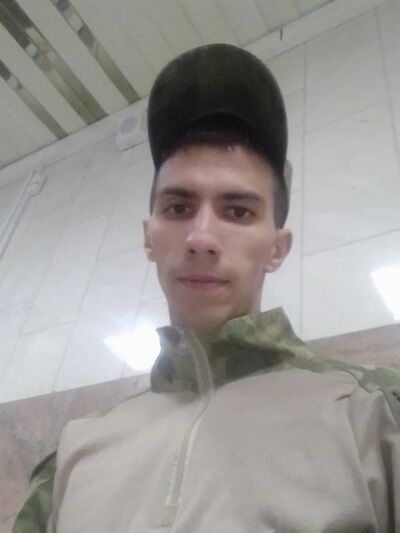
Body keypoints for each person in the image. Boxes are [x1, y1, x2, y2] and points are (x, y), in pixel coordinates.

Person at [13, 43, 400, 533]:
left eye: (237, 211)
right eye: (178, 208)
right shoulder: (71, 458)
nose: (200, 238)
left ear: (277, 248)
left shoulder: (375, 415)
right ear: (148, 238)